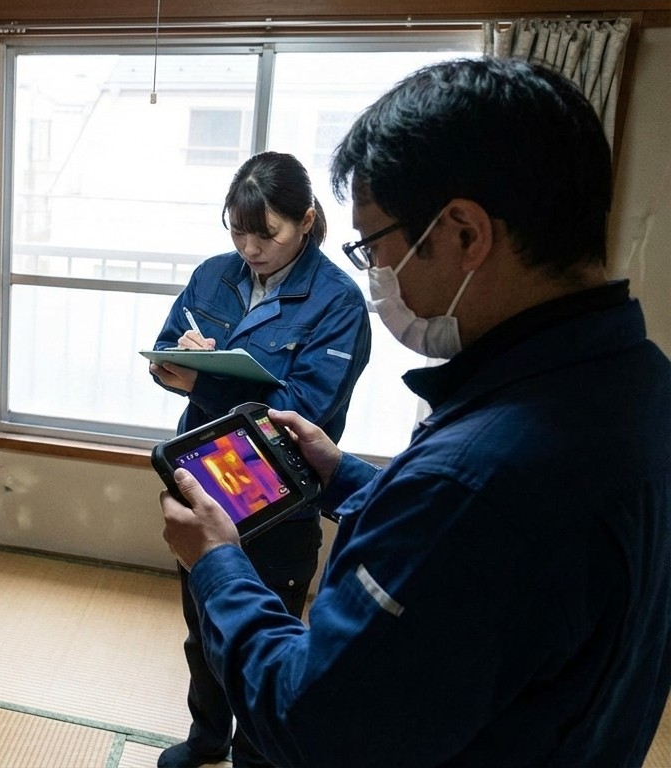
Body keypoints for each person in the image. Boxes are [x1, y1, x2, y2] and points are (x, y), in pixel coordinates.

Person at [159, 57, 671, 767]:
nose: (376, 273)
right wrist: (347, 477)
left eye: (374, 245)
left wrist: (218, 563)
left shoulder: (475, 480)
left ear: (464, 233)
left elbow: (309, 723)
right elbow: (464, 549)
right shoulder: (639, 383)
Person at [148, 152, 371, 768]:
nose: (250, 248)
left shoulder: (338, 301)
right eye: (238, 232)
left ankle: (255, 756)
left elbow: (304, 413)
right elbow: (165, 355)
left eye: (266, 233)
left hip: (277, 498)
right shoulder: (213, 275)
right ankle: (207, 737)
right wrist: (176, 360)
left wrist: (204, 382)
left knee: (264, 642)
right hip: (201, 480)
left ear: (306, 220)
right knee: (203, 628)